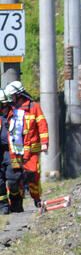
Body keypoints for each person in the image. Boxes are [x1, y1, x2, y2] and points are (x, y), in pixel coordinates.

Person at [5, 80, 49, 210]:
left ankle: (36, 198)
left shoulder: (34, 107)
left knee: (32, 174)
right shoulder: (11, 109)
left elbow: (42, 124)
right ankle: (17, 204)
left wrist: (44, 142)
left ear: (18, 95)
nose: (11, 99)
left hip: (31, 149)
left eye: (12, 96)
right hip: (15, 150)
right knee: (15, 178)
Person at [0, 89, 16, 214]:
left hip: (11, 151)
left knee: (12, 178)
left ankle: (16, 203)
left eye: (5, 104)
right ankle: (3, 206)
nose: (4, 107)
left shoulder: (15, 114)